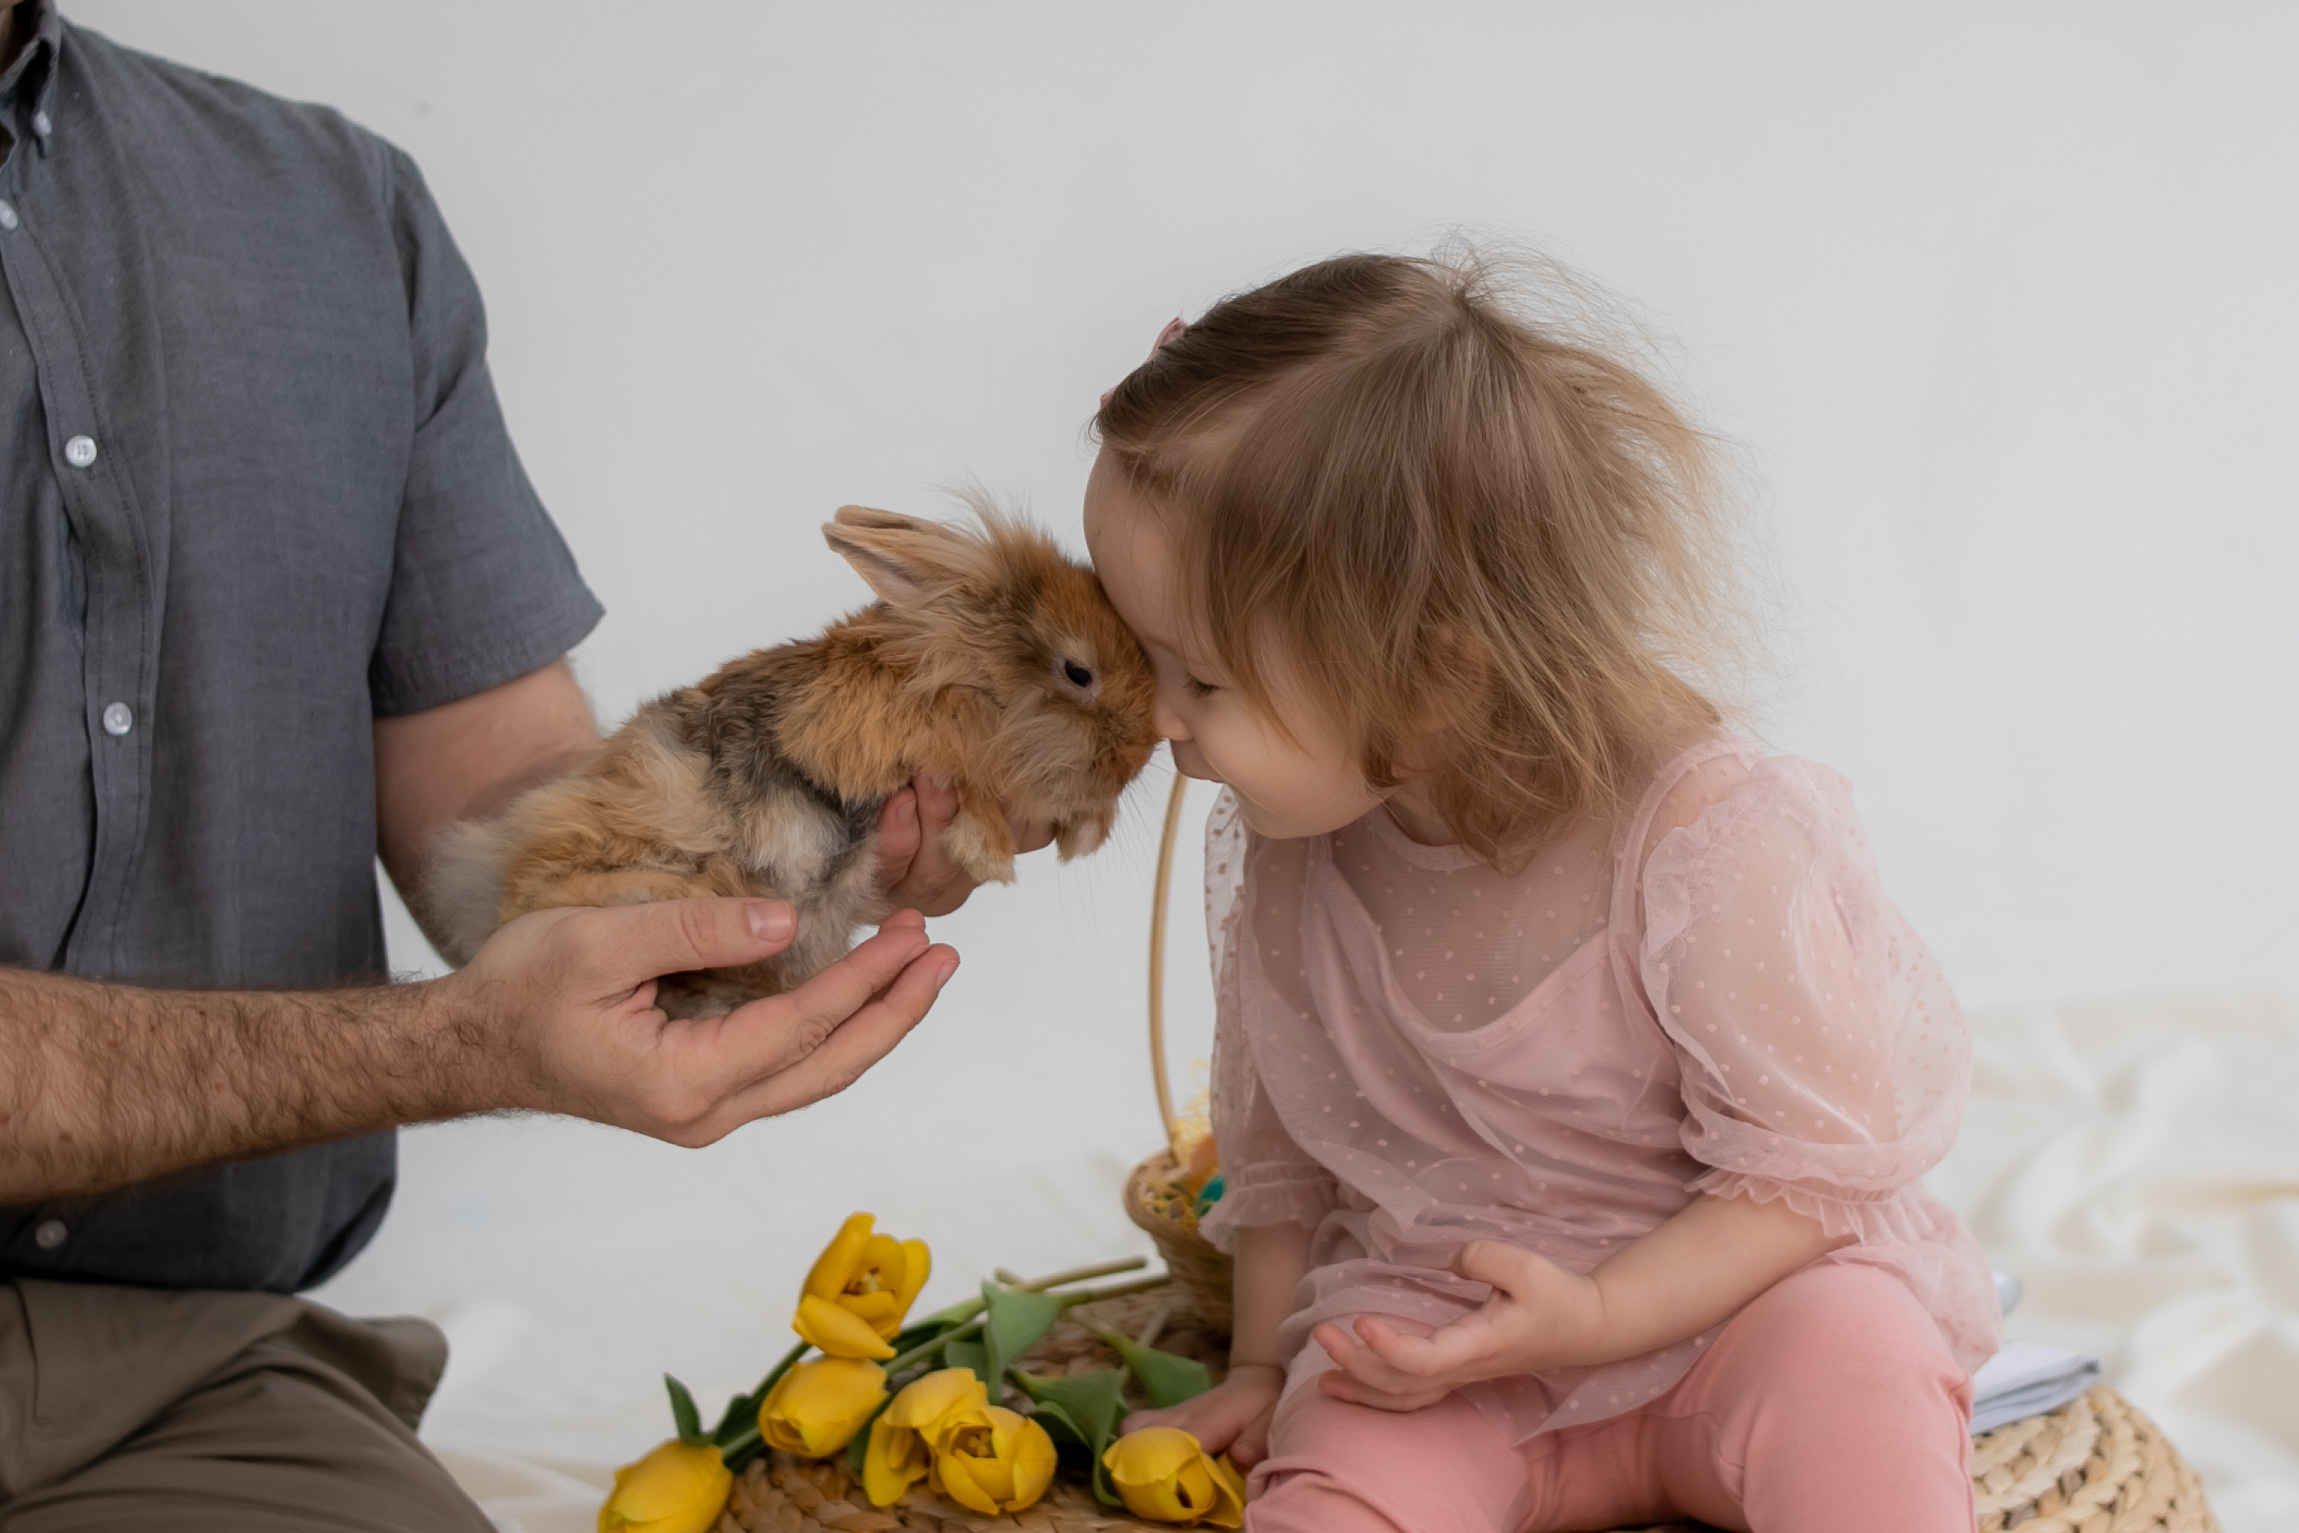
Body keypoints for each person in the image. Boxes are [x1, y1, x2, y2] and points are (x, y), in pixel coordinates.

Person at [0, 4, 1022, 1527]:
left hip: (183, 1372)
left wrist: (762, 845)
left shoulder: (333, 209)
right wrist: (462, 1043)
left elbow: (503, 803)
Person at [1085, 252, 2001, 1531]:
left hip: (1731, 1317)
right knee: (1338, 1462)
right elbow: (1279, 1148)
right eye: (1145, 660)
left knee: (1856, 1351)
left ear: (1431, 676)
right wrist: (1256, 1366)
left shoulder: (1699, 836)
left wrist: (1604, 1315)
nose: (1159, 722)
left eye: (1203, 681)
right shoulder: (1295, 844)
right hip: (1444, 1348)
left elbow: (1810, 1170)